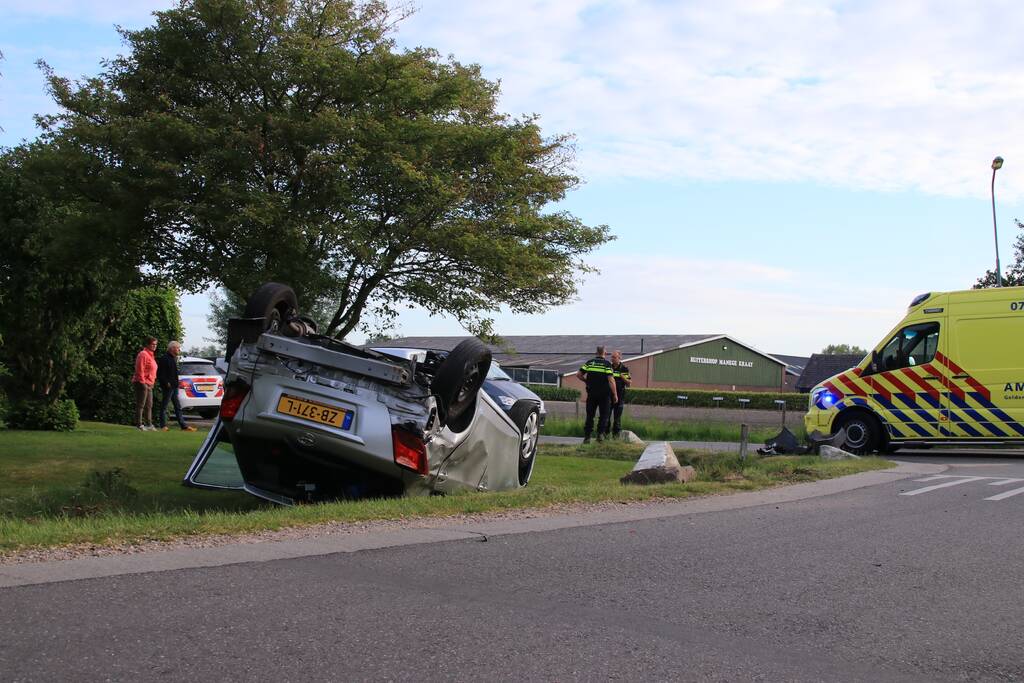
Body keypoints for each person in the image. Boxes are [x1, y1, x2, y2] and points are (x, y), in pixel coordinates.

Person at [576, 345, 617, 443]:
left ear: (596, 352)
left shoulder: (590, 363)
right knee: (604, 415)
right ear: (604, 353)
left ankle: (587, 437)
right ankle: (600, 436)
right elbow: (611, 380)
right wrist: (615, 394)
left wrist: (586, 381)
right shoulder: (607, 364)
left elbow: (578, 374)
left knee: (590, 415)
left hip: (591, 393)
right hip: (604, 395)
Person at [157, 341, 196, 432]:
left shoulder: (174, 358)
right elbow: (160, 374)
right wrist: (166, 383)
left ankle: (184, 426)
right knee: (164, 406)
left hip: (174, 386)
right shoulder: (165, 358)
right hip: (168, 387)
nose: (179, 350)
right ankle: (163, 426)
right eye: (178, 348)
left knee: (177, 406)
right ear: (172, 348)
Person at [132, 336, 158, 431]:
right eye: (153, 344)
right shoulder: (143, 354)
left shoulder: (151, 355)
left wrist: (152, 382)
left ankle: (149, 424)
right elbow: (140, 369)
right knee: (141, 404)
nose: (154, 346)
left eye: (155, 344)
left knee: (149, 405)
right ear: (147, 344)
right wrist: (142, 382)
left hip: (149, 384)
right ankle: (139, 425)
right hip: (141, 383)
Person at [606, 350, 632, 438]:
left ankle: (616, 438)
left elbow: (629, 383)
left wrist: (622, 376)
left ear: (619, 358)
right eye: (611, 357)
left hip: (620, 396)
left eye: (614, 357)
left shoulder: (624, 368)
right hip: (609, 396)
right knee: (606, 417)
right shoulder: (609, 367)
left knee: (617, 419)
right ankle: (605, 436)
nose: (612, 359)